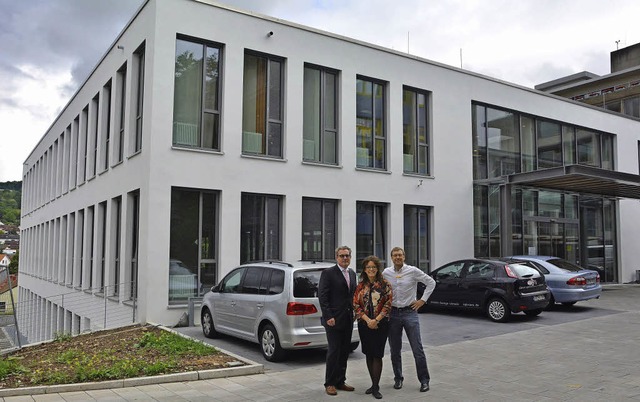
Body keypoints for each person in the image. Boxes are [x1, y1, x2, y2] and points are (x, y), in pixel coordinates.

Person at [382, 246, 436, 393]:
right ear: (391, 258)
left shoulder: (412, 271)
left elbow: (431, 282)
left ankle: (424, 380)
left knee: (417, 348)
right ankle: (398, 378)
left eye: (400, 255)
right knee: (394, 349)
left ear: (404, 257)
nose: (397, 257)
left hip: (409, 313)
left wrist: (422, 301)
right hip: (392, 314)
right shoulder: (386, 273)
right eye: (395, 255)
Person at [318, 246, 357, 396]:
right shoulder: (328, 273)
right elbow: (323, 297)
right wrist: (328, 317)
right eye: (342, 256)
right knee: (334, 351)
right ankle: (330, 383)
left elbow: (352, 296)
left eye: (347, 256)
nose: (345, 258)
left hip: (348, 319)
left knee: (344, 351)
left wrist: (356, 312)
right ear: (337, 257)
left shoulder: (352, 273)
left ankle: (341, 381)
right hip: (333, 320)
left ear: (350, 257)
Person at [353, 255, 392, 399]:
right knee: (369, 353)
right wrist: (368, 320)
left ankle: (376, 387)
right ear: (364, 269)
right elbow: (356, 305)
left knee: (377, 354)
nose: (371, 269)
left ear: (377, 269)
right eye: (368, 267)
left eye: (373, 267)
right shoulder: (360, 286)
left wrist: (376, 320)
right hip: (364, 324)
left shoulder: (385, 284)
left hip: (381, 324)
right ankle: (373, 383)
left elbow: (388, 304)